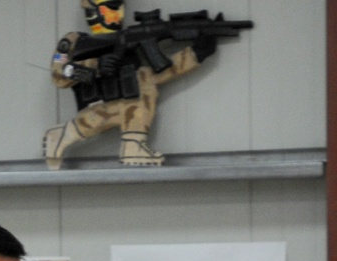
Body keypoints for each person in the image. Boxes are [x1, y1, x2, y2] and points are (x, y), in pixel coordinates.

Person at [43, 1, 214, 169]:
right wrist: (95, 66)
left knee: (144, 83)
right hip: (96, 104)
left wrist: (194, 55)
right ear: (92, 11)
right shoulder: (73, 41)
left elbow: (155, 76)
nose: (116, 14)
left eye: (119, 8)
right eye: (110, 8)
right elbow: (58, 74)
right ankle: (63, 135)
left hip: (127, 104)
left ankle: (133, 145)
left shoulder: (127, 38)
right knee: (137, 93)